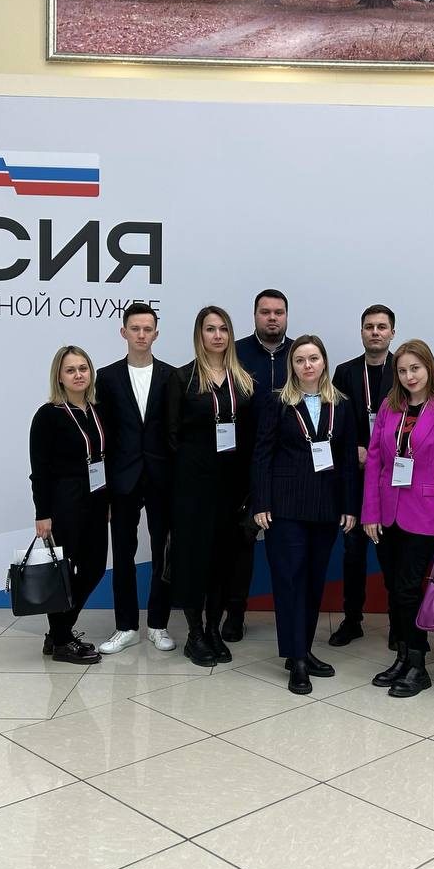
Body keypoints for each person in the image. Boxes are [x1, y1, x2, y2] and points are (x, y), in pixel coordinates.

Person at [252, 335, 359, 694]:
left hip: (326, 508)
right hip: (285, 508)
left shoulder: (341, 404)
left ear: (324, 362)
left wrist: (349, 506)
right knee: (290, 581)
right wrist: (261, 502)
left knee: (313, 582)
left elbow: (347, 460)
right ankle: (296, 658)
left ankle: (304, 649)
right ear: (292, 366)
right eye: (300, 360)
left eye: (313, 358)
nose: (307, 365)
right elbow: (262, 454)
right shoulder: (277, 402)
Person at [361, 339, 434, 698]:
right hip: (387, 514)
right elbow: (375, 460)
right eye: (403, 370)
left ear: (428, 367)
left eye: (415, 368)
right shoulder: (390, 407)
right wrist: (370, 512)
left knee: (407, 589)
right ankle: (403, 658)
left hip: (426, 516)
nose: (409, 376)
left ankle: (418, 665)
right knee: (395, 589)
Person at [166, 306, 256, 667]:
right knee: (194, 561)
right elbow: (170, 436)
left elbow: (251, 438)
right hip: (192, 489)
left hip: (231, 489)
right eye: (210, 329)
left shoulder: (244, 381)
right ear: (199, 335)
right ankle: (195, 634)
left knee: (223, 561)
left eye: (223, 329)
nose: (217, 335)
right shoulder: (182, 378)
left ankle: (214, 630)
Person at [95, 303, 176, 655]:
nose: (141, 335)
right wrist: (104, 488)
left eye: (147, 329)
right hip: (122, 479)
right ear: (123, 332)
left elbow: (175, 430)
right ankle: (125, 626)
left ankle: (158, 624)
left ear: (156, 334)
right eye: (135, 328)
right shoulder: (107, 377)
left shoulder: (172, 376)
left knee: (162, 552)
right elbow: (102, 435)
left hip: (162, 476)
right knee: (123, 553)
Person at [28, 345, 107, 665]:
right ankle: (62, 641)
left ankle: (58, 633)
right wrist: (43, 514)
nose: (78, 375)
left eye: (83, 368)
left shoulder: (97, 410)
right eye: (71, 370)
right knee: (64, 573)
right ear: (59, 377)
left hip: (96, 499)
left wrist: (107, 500)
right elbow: (39, 470)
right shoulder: (48, 415)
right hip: (65, 501)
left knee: (94, 568)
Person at [328, 304, 396, 647]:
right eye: (369, 327)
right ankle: (352, 619)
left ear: (392, 333)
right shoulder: (345, 372)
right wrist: (351, 448)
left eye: (381, 327)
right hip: (354, 476)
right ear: (361, 332)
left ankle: (399, 624)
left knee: (392, 554)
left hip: (392, 478)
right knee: (353, 552)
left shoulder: (403, 369)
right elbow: (334, 419)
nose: (375, 332)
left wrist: (379, 453)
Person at [228, 288, 292, 642]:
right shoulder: (235, 353)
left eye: (278, 312)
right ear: (254, 315)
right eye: (265, 312)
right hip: (241, 465)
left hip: (288, 468)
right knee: (240, 543)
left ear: (286, 316)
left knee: (287, 546)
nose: (272, 318)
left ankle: (291, 619)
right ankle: (235, 613)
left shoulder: (299, 354)